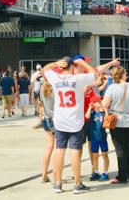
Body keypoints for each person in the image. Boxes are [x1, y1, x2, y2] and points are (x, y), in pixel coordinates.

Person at [43, 56, 99, 194]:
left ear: (61, 67)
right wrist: (82, 63)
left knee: (59, 149)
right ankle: (77, 183)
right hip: (75, 120)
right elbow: (95, 74)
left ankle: (57, 183)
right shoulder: (77, 79)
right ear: (72, 67)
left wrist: (56, 63)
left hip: (60, 120)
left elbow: (44, 70)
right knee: (74, 151)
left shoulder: (55, 78)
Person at [102, 65, 129, 185]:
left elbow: (105, 104)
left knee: (120, 148)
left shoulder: (111, 88)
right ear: (123, 74)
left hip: (117, 120)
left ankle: (122, 175)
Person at [85, 95, 110, 182]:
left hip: (102, 137)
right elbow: (87, 116)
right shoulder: (92, 113)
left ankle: (105, 172)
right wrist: (89, 107)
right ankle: (96, 172)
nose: (100, 103)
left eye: (100, 101)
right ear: (94, 104)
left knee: (104, 155)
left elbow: (107, 120)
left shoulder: (103, 113)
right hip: (94, 137)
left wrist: (106, 110)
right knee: (95, 155)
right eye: (98, 102)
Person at [38, 79, 55, 183]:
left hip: (46, 119)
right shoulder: (55, 90)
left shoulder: (42, 89)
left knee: (48, 147)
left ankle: (44, 174)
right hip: (56, 119)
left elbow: (40, 104)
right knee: (58, 148)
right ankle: (56, 175)